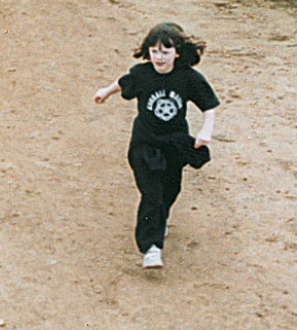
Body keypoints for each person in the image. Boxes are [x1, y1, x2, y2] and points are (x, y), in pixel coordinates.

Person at [94, 22, 220, 271]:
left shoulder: (187, 78)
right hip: (145, 142)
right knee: (151, 192)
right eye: (154, 51)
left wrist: (206, 131)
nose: (159, 57)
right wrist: (106, 92)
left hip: (174, 143)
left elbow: (209, 105)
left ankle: (158, 221)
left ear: (177, 53)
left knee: (170, 190)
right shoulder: (143, 74)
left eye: (165, 52)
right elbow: (123, 82)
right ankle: (151, 248)